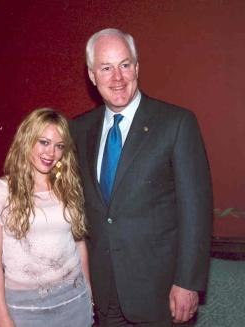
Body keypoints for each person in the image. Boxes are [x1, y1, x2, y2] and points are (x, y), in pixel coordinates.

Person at [70, 28, 213, 326]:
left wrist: (188, 282)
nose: (117, 77)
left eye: (125, 65)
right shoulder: (79, 129)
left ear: (137, 67)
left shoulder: (175, 123)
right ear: (92, 75)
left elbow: (196, 210)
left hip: (160, 296)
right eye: (106, 68)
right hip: (104, 295)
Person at [0, 108, 93, 327]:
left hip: (74, 301)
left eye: (59, 146)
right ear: (26, 140)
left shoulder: (68, 187)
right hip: (25, 308)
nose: (51, 153)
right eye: (44, 142)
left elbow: (79, 243)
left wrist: (88, 295)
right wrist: (2, 315)